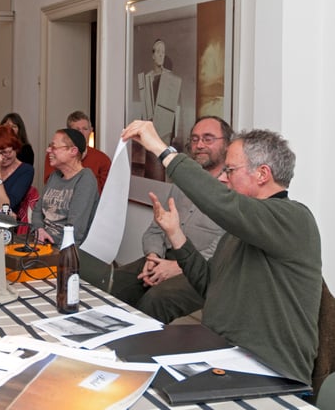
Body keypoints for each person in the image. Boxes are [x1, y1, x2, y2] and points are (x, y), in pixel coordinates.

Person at [121, 120, 321, 386]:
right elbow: (209, 285)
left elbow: (222, 202)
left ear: (262, 174)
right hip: (220, 353)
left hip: (268, 370)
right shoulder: (240, 232)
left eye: (230, 170)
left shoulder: (294, 219)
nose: (224, 178)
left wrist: (161, 149)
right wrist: (176, 235)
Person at [111, 116, 232, 323]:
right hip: (162, 257)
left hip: (202, 270)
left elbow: (224, 247)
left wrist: (178, 267)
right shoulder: (182, 182)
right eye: (195, 139)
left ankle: (138, 343)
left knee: (157, 300)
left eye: (208, 138)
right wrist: (152, 256)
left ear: (227, 144)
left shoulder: (233, 187)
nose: (199, 145)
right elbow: (156, 228)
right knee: (115, 281)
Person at [33, 128, 99, 246]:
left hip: (63, 249)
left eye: (53, 147)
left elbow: (75, 230)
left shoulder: (85, 179)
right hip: (41, 243)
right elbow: (38, 210)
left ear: (73, 151)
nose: (48, 150)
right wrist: (39, 229)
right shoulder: (54, 176)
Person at [43, 111, 110, 194]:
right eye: (77, 130)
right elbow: (50, 186)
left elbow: (106, 192)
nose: (81, 133)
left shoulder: (102, 159)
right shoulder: (54, 155)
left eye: (85, 129)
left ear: (91, 130)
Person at [0, 125, 34, 214]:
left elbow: (5, 208)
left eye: (6, 152)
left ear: (16, 149)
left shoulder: (26, 170)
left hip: (6, 219)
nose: (2, 157)